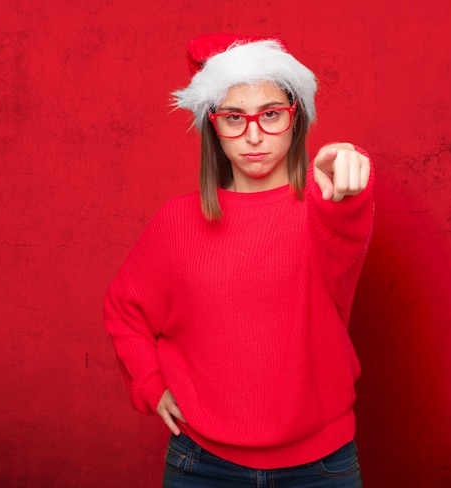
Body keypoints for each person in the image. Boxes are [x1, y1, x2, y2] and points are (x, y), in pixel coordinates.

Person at [104, 33, 374, 487]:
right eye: (234, 117)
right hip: (203, 464)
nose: (253, 135)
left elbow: (343, 218)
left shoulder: (322, 206)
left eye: (270, 115)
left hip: (320, 467)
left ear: (296, 119)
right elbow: (123, 309)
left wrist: (348, 164)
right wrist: (151, 383)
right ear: (214, 125)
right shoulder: (176, 221)